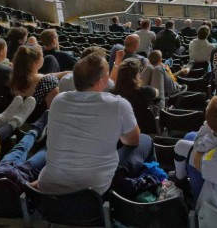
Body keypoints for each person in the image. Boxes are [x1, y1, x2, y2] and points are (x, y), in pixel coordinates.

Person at [38, 54, 155, 195]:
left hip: (49, 187)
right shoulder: (118, 104)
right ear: (100, 82)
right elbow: (132, 141)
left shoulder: (58, 100)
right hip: (95, 190)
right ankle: (147, 190)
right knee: (145, 140)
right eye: (107, 72)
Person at [9, 46, 67, 114]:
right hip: (36, 124)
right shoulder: (48, 83)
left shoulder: (11, 78)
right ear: (36, 63)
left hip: (11, 122)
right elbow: (54, 113)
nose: (43, 58)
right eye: (42, 56)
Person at [112, 59, 160, 134]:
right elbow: (157, 92)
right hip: (143, 131)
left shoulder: (112, 93)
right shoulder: (145, 91)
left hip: (121, 131)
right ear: (137, 74)